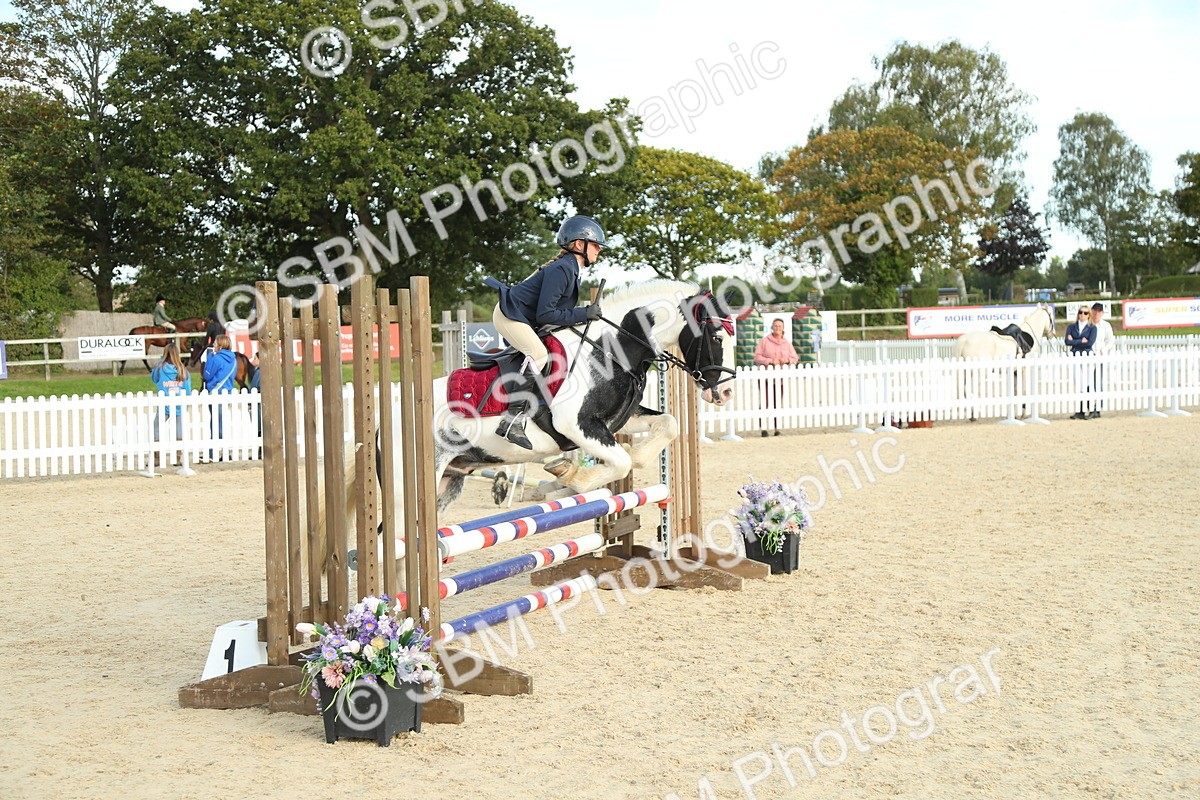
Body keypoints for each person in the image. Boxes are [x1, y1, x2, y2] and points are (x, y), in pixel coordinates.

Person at [487, 215, 606, 449]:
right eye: (595, 245)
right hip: (509, 315)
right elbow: (546, 315)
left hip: (523, 316)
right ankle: (511, 421)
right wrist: (583, 313)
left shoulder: (571, 269)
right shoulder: (562, 269)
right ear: (579, 244)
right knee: (539, 355)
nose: (598, 250)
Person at [754, 318, 799, 437]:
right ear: (772, 327)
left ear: (783, 328)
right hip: (765, 377)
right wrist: (769, 361)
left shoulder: (787, 343)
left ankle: (776, 428)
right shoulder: (765, 341)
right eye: (776, 326)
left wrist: (787, 360)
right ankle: (763, 428)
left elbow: (795, 358)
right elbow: (757, 357)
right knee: (765, 402)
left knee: (777, 403)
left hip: (780, 379)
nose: (778, 328)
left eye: (780, 326)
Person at [150, 344, 192, 450]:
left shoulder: (160, 369)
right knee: (179, 429)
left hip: (164, 404)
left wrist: (160, 361)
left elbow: (154, 378)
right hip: (179, 404)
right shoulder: (183, 370)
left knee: (157, 427)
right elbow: (187, 389)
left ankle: (157, 454)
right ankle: (178, 455)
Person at [203, 335, 238, 457]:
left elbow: (207, 375)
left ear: (220, 346)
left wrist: (209, 358)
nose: (213, 345)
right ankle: (224, 449)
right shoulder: (233, 360)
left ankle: (213, 452)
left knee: (215, 423)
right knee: (222, 421)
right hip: (227, 393)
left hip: (215, 393)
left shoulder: (216, 358)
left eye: (215, 343)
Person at [1065, 306, 1096, 419]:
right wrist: (1080, 340)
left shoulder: (1092, 328)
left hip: (1087, 356)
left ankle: (1091, 408)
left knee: (1087, 383)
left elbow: (1089, 343)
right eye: (1080, 312)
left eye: (1085, 313)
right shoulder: (1072, 327)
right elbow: (1067, 342)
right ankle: (1081, 410)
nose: (1082, 315)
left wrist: (1074, 341)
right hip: (1075, 356)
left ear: (1089, 315)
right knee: (1078, 383)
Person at [1088, 303, 1115, 419]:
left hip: (1099, 356)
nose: (1096, 313)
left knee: (1098, 383)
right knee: (1087, 383)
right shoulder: (1087, 324)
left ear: (1102, 313)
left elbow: (1110, 340)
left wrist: (1104, 350)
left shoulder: (1105, 325)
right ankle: (1089, 406)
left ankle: (1097, 408)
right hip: (1087, 356)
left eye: (1099, 311)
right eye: (1095, 311)